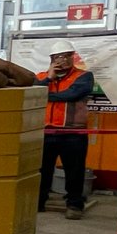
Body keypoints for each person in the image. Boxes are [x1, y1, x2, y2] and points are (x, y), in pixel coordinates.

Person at [36, 38, 94, 219]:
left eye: (68, 56)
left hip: (73, 133)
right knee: (42, 171)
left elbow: (73, 94)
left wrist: (47, 95)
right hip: (46, 132)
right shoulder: (41, 77)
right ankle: (38, 203)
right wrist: (49, 78)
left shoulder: (84, 76)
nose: (64, 60)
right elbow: (34, 93)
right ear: (52, 59)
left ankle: (74, 205)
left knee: (74, 171)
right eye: (59, 56)